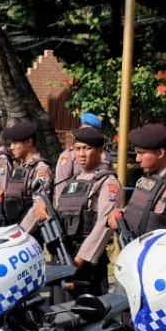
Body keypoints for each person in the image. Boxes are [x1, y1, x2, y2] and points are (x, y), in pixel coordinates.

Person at [39, 125, 119, 294]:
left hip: (85, 261)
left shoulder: (107, 182)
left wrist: (78, 261)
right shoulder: (70, 181)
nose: (81, 154)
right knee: (59, 312)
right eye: (78, 149)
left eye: (87, 149)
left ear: (99, 151)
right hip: (62, 255)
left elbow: (103, 225)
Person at [109, 123, 166, 236]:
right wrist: (120, 214)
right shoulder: (146, 180)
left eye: (142, 153)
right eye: (136, 153)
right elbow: (138, 213)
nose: (137, 159)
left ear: (160, 153)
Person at [0, 120, 52, 230]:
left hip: (28, 232)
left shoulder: (40, 168)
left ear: (29, 142)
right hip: (13, 227)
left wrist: (22, 231)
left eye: (15, 143)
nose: (11, 147)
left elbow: (38, 204)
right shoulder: (20, 169)